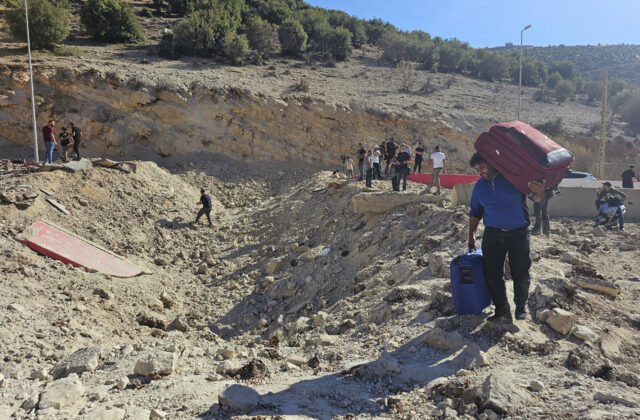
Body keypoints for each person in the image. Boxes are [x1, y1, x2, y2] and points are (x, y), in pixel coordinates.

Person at [467, 152, 545, 324]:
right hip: (492, 234)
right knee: (493, 275)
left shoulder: (513, 179)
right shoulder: (479, 186)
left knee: (521, 272)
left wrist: (540, 192)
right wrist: (471, 236)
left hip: (518, 233)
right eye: (477, 169)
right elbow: (475, 212)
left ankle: (520, 307)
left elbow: (536, 198)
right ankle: (502, 311)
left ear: (493, 163)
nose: (480, 172)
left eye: (482, 167)